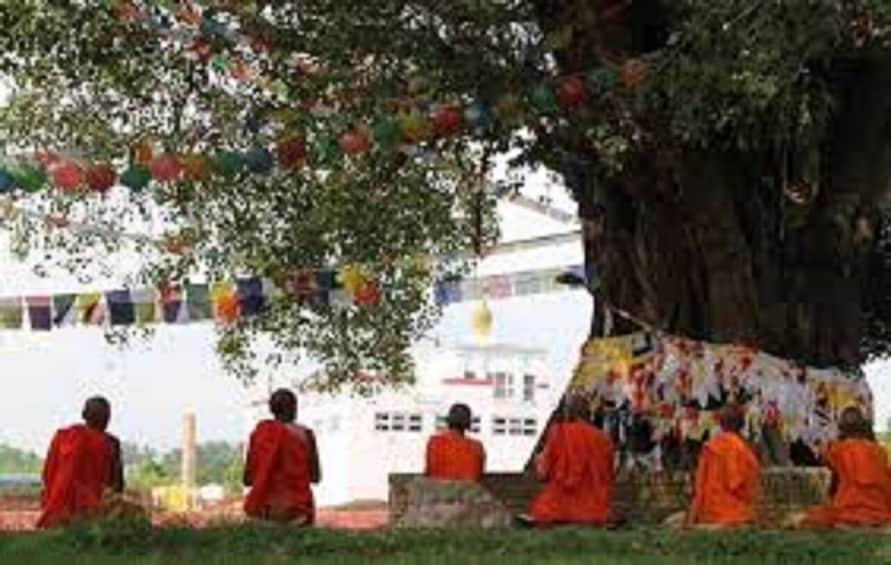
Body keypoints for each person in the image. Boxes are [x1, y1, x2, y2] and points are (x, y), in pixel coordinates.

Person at [524, 395, 616, 526]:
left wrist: (538, 460)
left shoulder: (558, 433)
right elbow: (609, 476)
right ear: (588, 413)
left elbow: (543, 473)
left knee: (545, 507)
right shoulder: (603, 439)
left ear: (568, 413)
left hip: (558, 507)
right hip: (596, 508)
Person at [37, 396, 125, 528]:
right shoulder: (111, 443)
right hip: (95, 509)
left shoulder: (63, 437)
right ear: (108, 418)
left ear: (83, 415)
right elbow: (117, 483)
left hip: (59, 507)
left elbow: (48, 474)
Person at [802, 406, 891, 528]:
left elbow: (822, 455)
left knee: (817, 515)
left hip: (849, 507)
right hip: (880, 508)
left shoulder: (839, 449)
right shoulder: (880, 451)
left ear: (841, 429)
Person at [243, 389, 321, 525]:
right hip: (297, 512)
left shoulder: (259, 434)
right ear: (294, 408)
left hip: (262, 513)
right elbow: (315, 477)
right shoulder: (305, 435)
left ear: (271, 410)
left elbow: (247, 480)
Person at [685, 404, 760, 528]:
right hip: (735, 513)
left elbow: (699, 485)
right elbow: (740, 484)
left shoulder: (710, 446)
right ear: (742, 424)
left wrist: (694, 514)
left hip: (708, 512)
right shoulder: (741, 450)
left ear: (720, 424)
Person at [425, 403, 486, 481]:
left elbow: (429, 472)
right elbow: (478, 477)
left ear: (449, 422)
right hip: (466, 492)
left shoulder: (434, 442)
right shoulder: (477, 447)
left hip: (439, 491)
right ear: (468, 424)